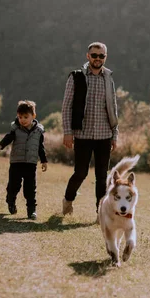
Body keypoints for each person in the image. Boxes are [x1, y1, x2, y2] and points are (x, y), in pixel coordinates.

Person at [61, 41, 118, 216]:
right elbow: (66, 107)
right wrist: (68, 132)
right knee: (80, 173)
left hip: (104, 134)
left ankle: (100, 212)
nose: (98, 59)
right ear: (88, 56)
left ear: (105, 57)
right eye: (94, 55)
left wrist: (115, 134)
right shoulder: (76, 77)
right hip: (82, 134)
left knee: (102, 177)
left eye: (101, 56)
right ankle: (68, 200)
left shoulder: (108, 78)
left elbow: (113, 108)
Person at [0, 100, 48, 220]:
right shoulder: (15, 129)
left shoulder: (38, 131)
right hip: (16, 163)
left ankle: (31, 210)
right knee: (13, 186)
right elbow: (7, 138)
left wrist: (44, 161)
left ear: (33, 116)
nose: (23, 120)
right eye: (20, 117)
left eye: (26, 117)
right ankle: (10, 201)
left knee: (30, 188)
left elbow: (40, 147)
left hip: (30, 164)